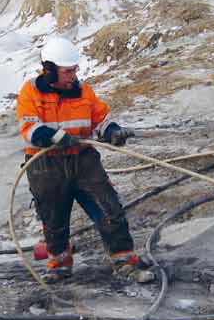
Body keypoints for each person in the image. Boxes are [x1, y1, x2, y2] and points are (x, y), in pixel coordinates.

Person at [17, 37, 156, 284]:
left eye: (75, 70)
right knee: (53, 218)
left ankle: (124, 260)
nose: (73, 76)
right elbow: (30, 128)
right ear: (49, 71)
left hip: (83, 161)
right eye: (67, 71)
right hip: (46, 165)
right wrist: (59, 138)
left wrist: (112, 130)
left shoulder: (83, 92)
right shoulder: (31, 92)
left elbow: (100, 118)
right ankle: (59, 265)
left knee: (109, 208)